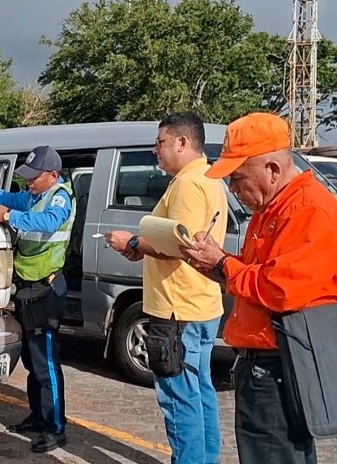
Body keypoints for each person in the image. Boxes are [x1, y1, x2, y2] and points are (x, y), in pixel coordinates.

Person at [182, 112, 337, 464]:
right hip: (267, 363)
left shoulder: (308, 209)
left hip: (280, 365)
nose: (233, 190)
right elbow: (253, 278)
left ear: (272, 169)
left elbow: (280, 289)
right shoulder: (273, 207)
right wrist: (215, 262)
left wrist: (220, 263)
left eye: (238, 178)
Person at [105, 112, 227, 464]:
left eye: (159, 142)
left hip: (178, 310)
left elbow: (180, 246)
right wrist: (141, 247)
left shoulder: (188, 184)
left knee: (179, 400)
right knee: (200, 393)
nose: (155, 150)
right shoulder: (208, 176)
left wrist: (132, 243)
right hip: (200, 305)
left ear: (182, 142)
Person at [0, 145, 75, 453]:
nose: (29, 182)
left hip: (46, 290)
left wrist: (6, 215)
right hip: (27, 289)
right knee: (33, 360)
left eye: (35, 177)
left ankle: (55, 427)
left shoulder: (60, 197)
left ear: (53, 175)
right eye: (27, 176)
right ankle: (37, 415)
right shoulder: (33, 195)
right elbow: (12, 197)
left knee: (46, 362)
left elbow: (46, 222)